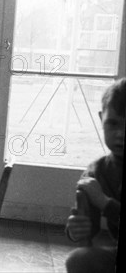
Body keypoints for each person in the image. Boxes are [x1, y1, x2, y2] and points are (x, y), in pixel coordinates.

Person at [64, 78, 124, 273]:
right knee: (78, 260)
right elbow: (87, 226)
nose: (121, 134)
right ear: (101, 119)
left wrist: (105, 202)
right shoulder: (97, 172)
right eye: (113, 124)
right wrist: (75, 230)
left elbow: (103, 202)